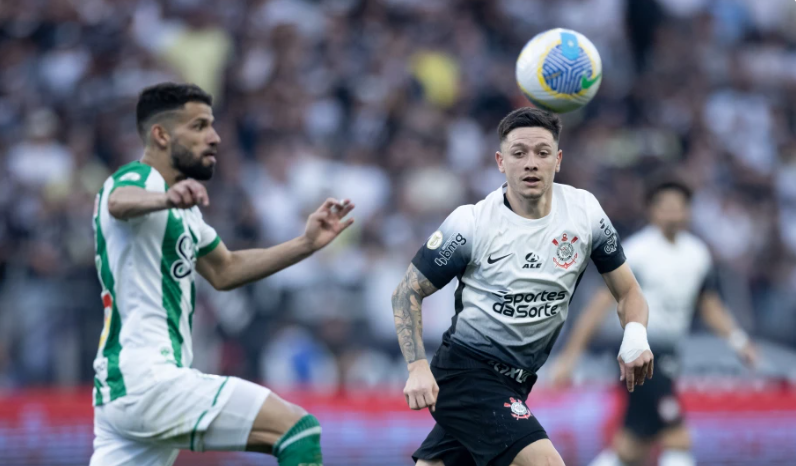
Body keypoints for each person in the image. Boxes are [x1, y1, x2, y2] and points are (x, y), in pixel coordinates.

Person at [89, 82, 354, 466]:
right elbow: (118, 201)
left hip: (123, 388)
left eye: (212, 126)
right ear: (161, 135)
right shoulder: (138, 180)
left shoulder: (185, 213)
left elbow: (225, 269)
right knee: (298, 429)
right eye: (198, 127)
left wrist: (305, 244)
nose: (214, 137)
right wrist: (164, 198)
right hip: (147, 377)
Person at [391, 107, 655, 466]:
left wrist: (636, 336)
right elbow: (406, 292)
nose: (531, 162)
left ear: (558, 160)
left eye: (542, 152)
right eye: (519, 153)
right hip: (466, 373)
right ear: (501, 161)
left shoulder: (584, 213)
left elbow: (629, 293)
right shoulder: (472, 223)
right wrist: (417, 367)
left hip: (518, 381)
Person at [549, 178, 759, 466]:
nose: (673, 213)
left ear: (688, 211)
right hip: (638, 353)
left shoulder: (697, 254)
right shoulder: (635, 253)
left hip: (670, 353)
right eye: (666, 206)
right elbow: (598, 306)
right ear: (652, 210)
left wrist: (738, 340)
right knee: (678, 436)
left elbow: (708, 304)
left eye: (679, 206)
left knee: (632, 446)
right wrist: (570, 356)